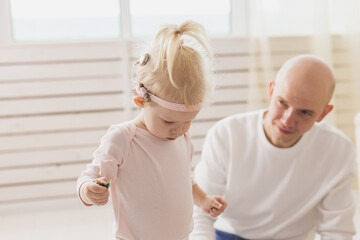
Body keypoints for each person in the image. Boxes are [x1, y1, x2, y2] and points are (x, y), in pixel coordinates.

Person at [76, 20, 227, 240]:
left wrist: (203, 200)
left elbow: (185, 178)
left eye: (187, 122)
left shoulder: (182, 137)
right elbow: (90, 176)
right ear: (141, 101)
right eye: (168, 122)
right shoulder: (123, 139)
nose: (179, 130)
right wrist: (88, 190)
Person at [190, 55, 357, 240]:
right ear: (271, 92)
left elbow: (337, 230)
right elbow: (200, 214)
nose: (288, 120)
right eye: (282, 103)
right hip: (229, 234)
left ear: (323, 114)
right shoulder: (227, 134)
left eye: (305, 113)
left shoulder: (338, 150)